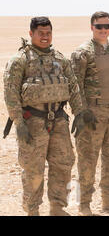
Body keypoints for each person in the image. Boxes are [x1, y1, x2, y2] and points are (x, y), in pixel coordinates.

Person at [3, 17, 95, 216]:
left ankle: (57, 207)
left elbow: (73, 86)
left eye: (48, 33)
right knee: (33, 169)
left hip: (59, 120)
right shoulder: (20, 60)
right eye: (40, 33)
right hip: (32, 121)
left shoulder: (60, 59)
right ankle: (32, 210)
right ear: (31, 34)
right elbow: (10, 93)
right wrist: (19, 122)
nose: (45, 37)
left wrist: (79, 112)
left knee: (63, 164)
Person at [71, 11, 109, 215]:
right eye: (99, 26)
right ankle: (84, 203)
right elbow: (75, 85)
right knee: (87, 159)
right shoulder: (83, 52)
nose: (103, 30)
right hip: (92, 112)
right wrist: (80, 112)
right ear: (92, 27)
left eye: (107, 26)